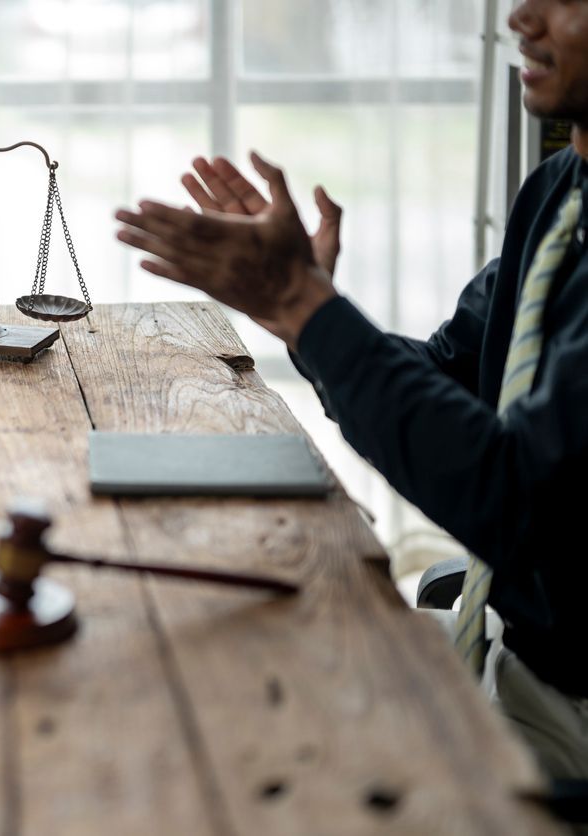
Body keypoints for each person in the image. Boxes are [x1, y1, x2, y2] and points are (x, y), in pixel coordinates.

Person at [115, 0, 588, 785]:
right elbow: (443, 380)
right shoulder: (557, 193)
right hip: (520, 651)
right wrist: (304, 315)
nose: (519, 17)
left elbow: (513, 498)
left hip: (571, 710)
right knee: (216, 669)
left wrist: (305, 305)